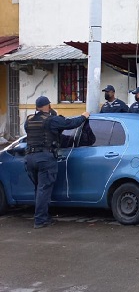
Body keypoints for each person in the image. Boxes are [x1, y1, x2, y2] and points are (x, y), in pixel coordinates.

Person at [24, 96, 89, 229]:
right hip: (45, 158)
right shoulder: (51, 120)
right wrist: (83, 116)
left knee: (39, 189)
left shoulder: (29, 120)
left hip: (29, 158)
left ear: (37, 107)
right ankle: (40, 220)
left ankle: (43, 216)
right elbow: (71, 123)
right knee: (43, 189)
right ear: (48, 106)